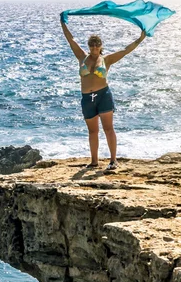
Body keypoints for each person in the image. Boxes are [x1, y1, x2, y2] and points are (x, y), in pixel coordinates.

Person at [60, 13, 146, 170]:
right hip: (88, 98)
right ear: (89, 46)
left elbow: (126, 50)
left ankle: (113, 161)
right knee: (93, 131)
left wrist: (140, 38)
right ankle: (94, 162)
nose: (94, 47)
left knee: (108, 128)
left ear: (101, 46)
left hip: (103, 95)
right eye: (92, 44)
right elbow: (70, 39)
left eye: (97, 44)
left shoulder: (107, 59)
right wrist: (63, 23)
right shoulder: (82, 57)